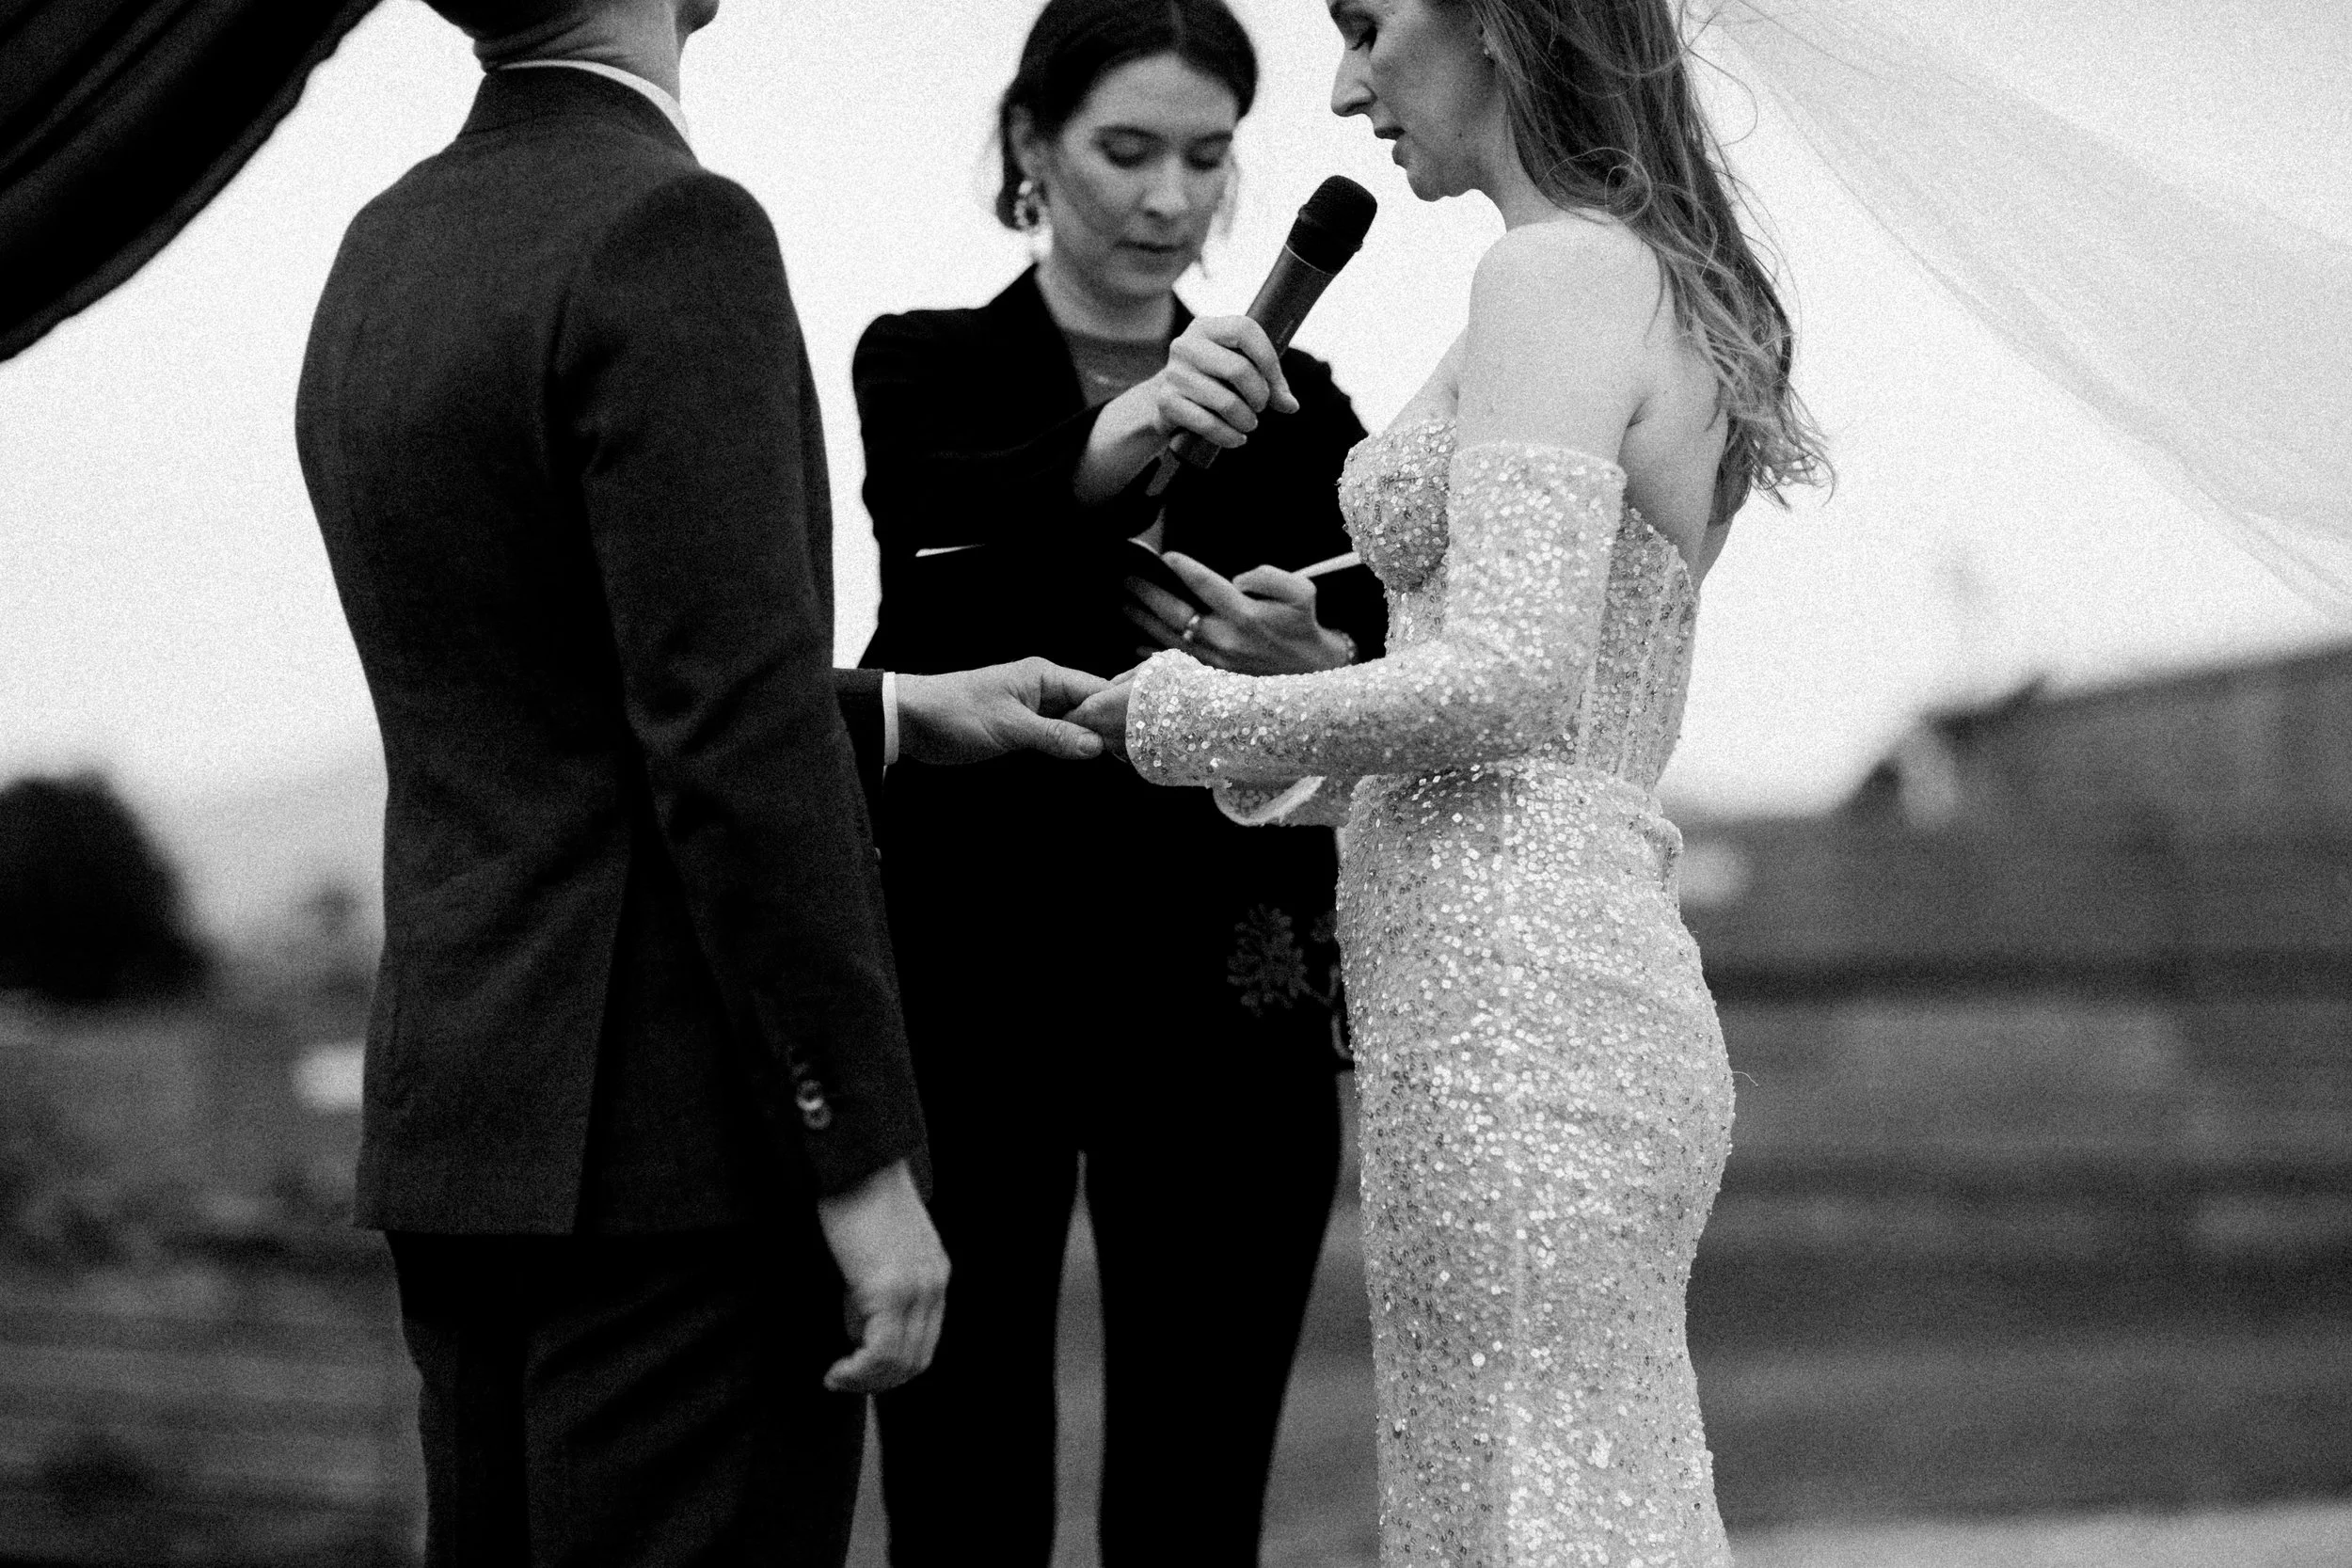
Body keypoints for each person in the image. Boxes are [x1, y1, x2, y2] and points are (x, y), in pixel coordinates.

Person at [294, 2, 1110, 1562]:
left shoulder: (383, 246)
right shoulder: (672, 229)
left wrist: (892, 713)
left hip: (466, 1126)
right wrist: (859, 1157)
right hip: (675, 1165)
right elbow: (726, 739)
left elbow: (548, 680)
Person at [1072, 0, 1829, 1560]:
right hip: (1540, 970)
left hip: (1515, 1017)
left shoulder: (1554, 270)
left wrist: (1181, 715)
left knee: (1530, 1504)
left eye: (1363, 23)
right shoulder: (1658, 281)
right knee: (1539, 1492)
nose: (1347, 88)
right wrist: (1308, 687)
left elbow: (1515, 683)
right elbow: (1547, 729)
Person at [850, 1, 1387, 1560]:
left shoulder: (1312, 406)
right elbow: (936, 551)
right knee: (960, 1490)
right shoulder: (925, 367)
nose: (1168, 201)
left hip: (1228, 1000)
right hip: (971, 987)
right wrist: (1124, 430)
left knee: (1197, 1494)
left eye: (1208, 159)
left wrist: (1306, 654)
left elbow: (1379, 658)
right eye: (1126, 151)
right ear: (1030, 144)